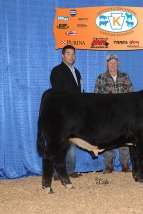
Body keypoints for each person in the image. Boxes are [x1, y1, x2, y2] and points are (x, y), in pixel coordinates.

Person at [94, 53, 134, 174]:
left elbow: (132, 94)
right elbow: (96, 97)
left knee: (125, 139)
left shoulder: (125, 77)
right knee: (108, 138)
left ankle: (125, 164)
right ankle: (108, 164)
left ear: (118, 64)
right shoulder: (101, 78)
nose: (112, 65)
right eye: (110, 63)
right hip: (108, 115)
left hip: (124, 114)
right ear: (106, 64)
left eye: (115, 62)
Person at [50, 45, 82, 180]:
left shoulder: (77, 72)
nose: (71, 56)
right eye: (68, 54)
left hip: (74, 113)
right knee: (60, 143)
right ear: (62, 55)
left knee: (73, 142)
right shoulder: (57, 71)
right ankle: (57, 172)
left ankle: (70, 169)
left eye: (73, 54)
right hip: (62, 113)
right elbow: (57, 93)